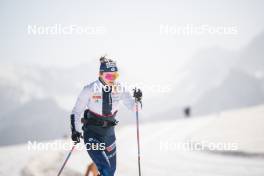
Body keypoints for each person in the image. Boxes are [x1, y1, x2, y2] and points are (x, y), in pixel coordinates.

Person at [70, 56, 142, 176]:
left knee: (110, 172)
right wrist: (75, 131)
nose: (112, 79)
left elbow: (135, 108)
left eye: (115, 76)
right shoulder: (89, 89)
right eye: (109, 76)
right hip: (92, 133)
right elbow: (76, 112)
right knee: (106, 169)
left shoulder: (120, 88)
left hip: (109, 135)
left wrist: (138, 99)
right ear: (101, 74)